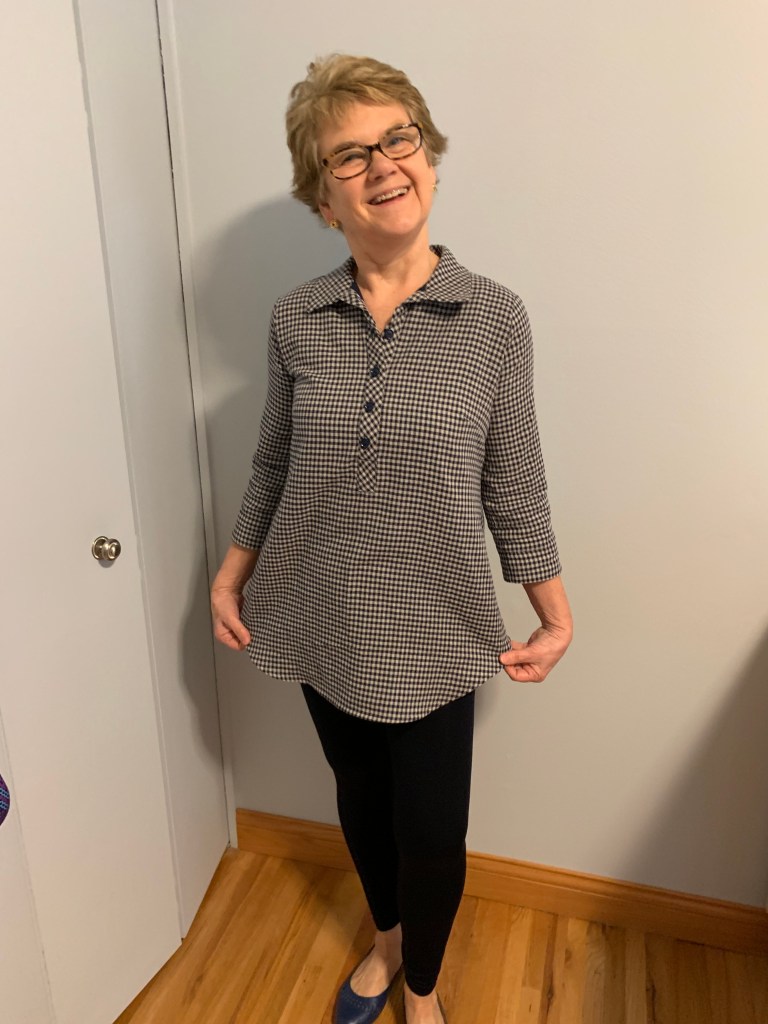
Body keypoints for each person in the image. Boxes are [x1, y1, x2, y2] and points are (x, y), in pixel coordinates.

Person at [210, 54, 572, 1024]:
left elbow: (513, 478)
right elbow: (274, 462)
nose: (381, 164)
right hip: (321, 608)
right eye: (349, 155)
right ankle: (384, 942)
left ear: (429, 158)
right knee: (361, 803)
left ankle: (422, 986)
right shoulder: (297, 317)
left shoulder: (494, 318)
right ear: (324, 197)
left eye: (397, 139)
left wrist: (553, 611)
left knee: (433, 833)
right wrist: (231, 577)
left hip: (439, 622)